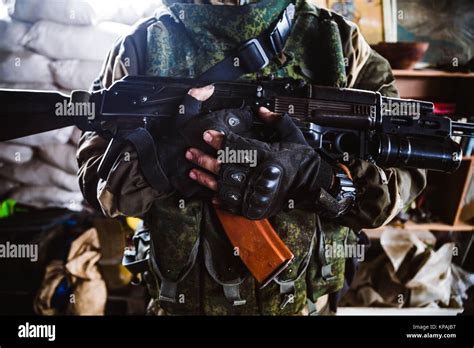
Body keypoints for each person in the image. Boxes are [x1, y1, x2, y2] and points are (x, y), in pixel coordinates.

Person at [77, 0, 426, 315]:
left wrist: (318, 177)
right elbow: (97, 185)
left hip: (305, 307)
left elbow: (401, 179)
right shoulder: (142, 45)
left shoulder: (339, 44)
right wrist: (164, 160)